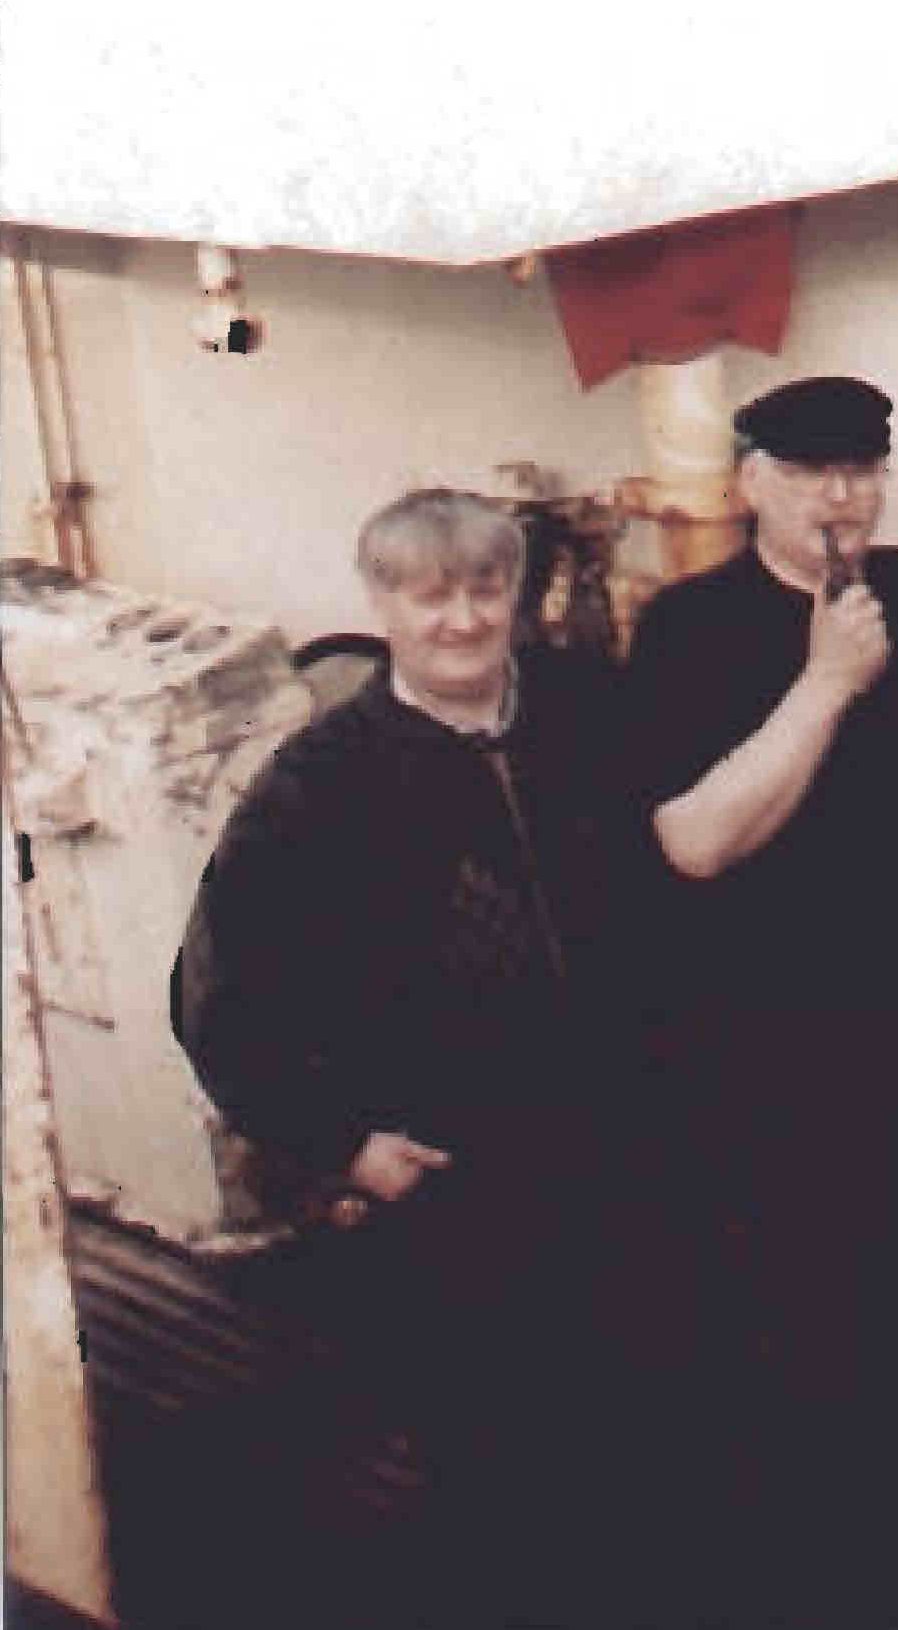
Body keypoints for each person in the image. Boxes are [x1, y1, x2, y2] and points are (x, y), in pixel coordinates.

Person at [170, 489, 645, 1626]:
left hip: (622, 1157)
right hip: (454, 1185)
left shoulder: (585, 715)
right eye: (432, 597)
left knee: (636, 1443)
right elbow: (216, 997)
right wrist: (341, 1141)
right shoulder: (321, 780)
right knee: (492, 1474)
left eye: (486, 589)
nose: (463, 619)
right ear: (382, 604)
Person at [622, 373, 898, 1629]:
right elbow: (694, 839)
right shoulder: (688, 629)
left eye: (859, 471)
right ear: (751, 485)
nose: (838, 498)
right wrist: (827, 681)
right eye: (806, 474)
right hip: (776, 1059)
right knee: (801, 1341)